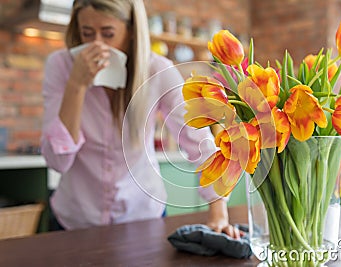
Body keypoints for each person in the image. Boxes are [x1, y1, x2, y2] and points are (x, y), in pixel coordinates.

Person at [41, 0, 240, 238]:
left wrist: (218, 214)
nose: (97, 44)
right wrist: (77, 84)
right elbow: (58, 161)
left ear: (132, 31)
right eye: (87, 33)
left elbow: (198, 141)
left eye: (108, 34)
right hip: (74, 220)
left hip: (142, 219)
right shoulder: (61, 66)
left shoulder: (157, 70)